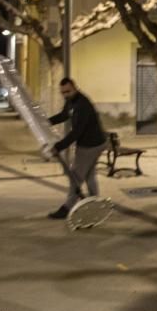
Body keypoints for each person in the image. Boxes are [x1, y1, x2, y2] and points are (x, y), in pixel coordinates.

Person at [46, 78, 108, 219]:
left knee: (76, 176)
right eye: (63, 93)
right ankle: (94, 202)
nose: (66, 95)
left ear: (75, 87)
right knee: (89, 174)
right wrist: (47, 122)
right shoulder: (71, 101)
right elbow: (64, 115)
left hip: (90, 145)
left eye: (68, 91)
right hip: (96, 142)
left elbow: (77, 131)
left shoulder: (83, 104)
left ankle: (67, 208)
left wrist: (59, 146)